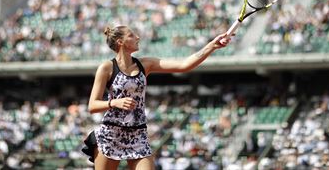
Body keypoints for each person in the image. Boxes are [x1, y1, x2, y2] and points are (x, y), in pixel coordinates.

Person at [83, 25, 231, 170]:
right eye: (131, 35)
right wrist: (115, 102)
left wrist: (212, 46)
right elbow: (92, 106)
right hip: (111, 134)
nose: (137, 37)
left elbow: (184, 65)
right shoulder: (106, 68)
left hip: (138, 134)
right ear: (120, 42)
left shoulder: (145, 64)